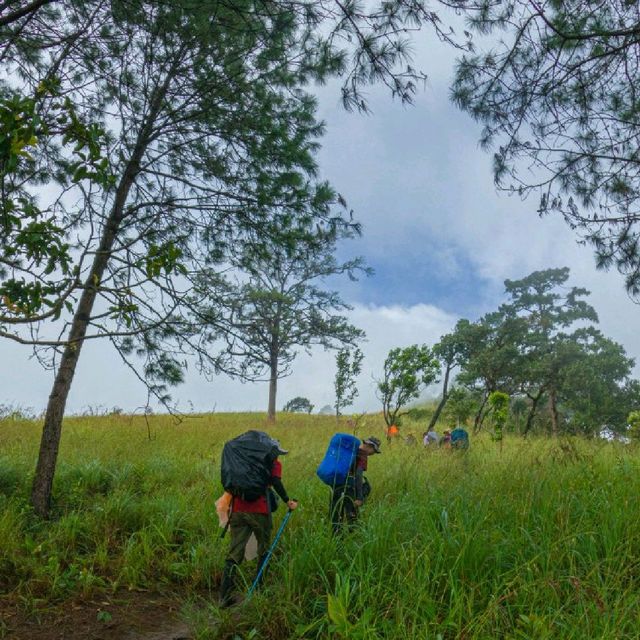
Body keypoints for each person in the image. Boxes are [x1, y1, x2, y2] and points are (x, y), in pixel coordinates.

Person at [219, 439, 298, 607]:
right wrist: (287, 500)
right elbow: (276, 482)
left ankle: (224, 596)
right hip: (260, 511)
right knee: (264, 550)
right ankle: (258, 591)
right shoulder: (274, 464)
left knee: (234, 553)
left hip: (238, 510)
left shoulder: (242, 460)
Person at [330, 436, 381, 534]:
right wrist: (359, 497)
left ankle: (335, 537)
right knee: (352, 515)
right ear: (370, 446)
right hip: (349, 487)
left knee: (336, 512)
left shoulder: (350, 451)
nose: (373, 454)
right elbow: (358, 474)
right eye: (374, 451)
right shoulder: (362, 455)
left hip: (336, 483)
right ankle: (352, 535)